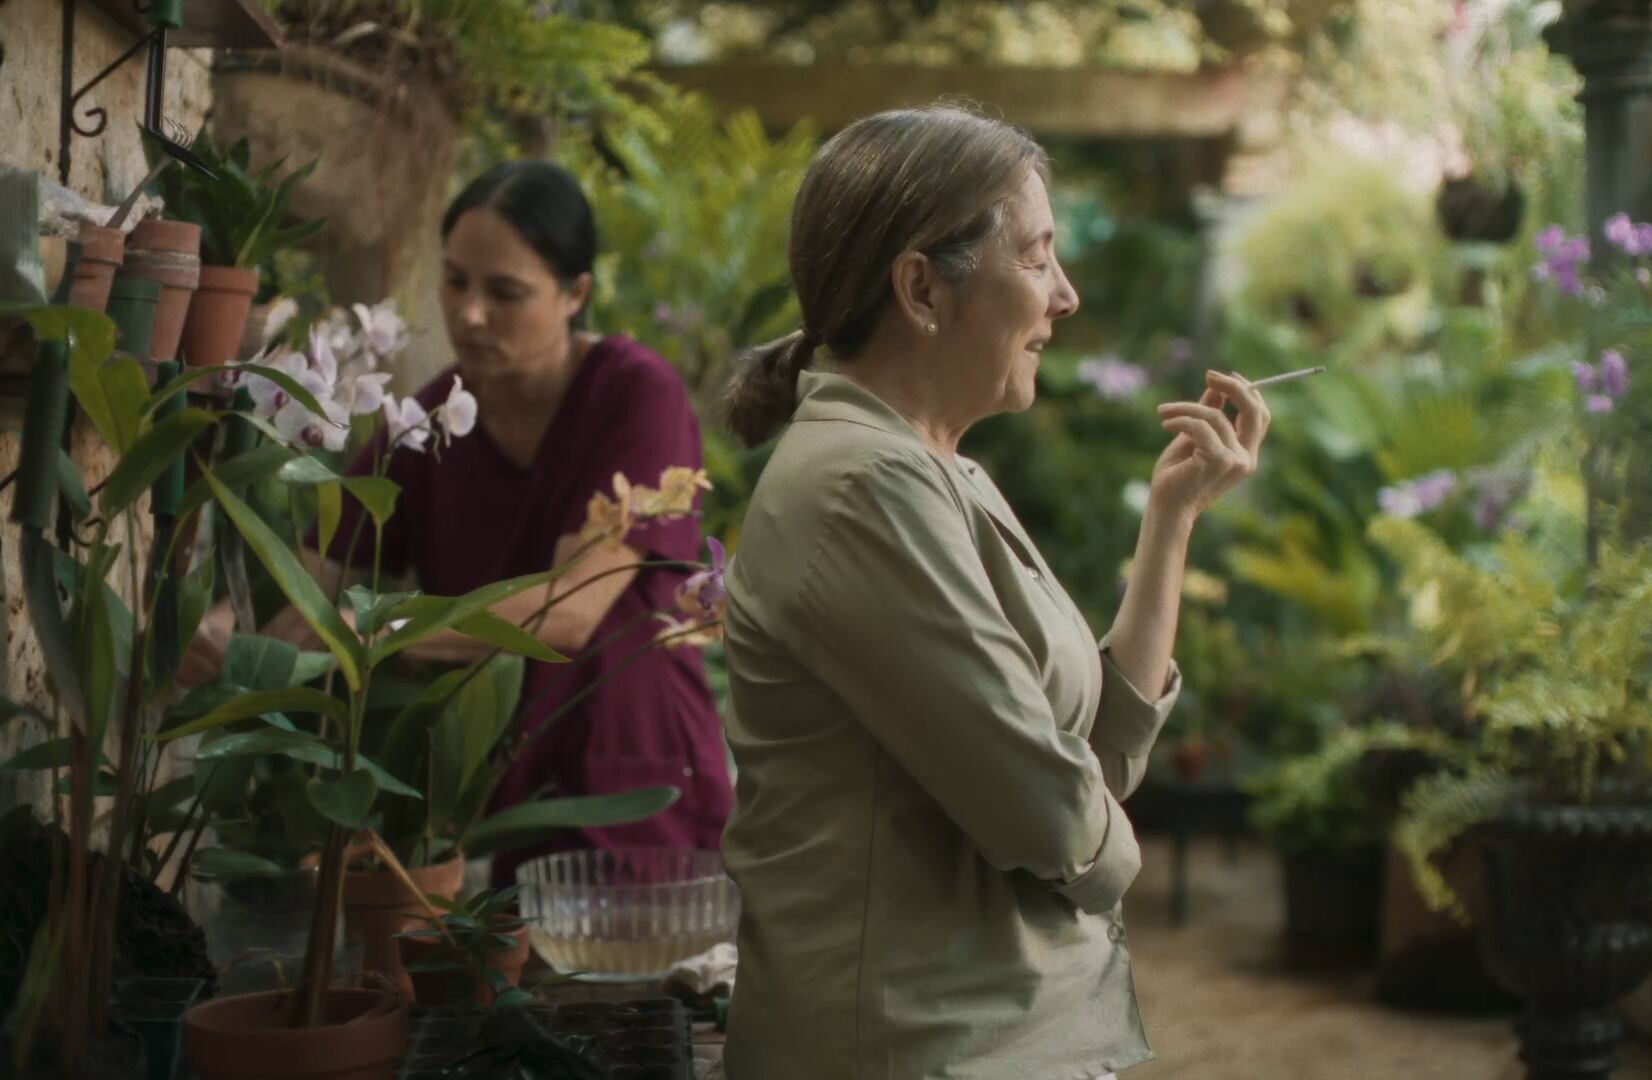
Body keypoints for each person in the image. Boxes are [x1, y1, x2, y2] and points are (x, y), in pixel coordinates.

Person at [718, 106, 1272, 1080]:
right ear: (923, 289)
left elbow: (1092, 755)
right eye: (1038, 257)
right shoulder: (864, 489)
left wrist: (1172, 516)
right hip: (918, 1049)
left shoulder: (936, 472)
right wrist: (1115, 851)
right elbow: (1049, 814)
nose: (1066, 295)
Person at [184, 162, 732, 883]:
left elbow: (571, 609)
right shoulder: (438, 415)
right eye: (455, 280)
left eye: (505, 292)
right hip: (494, 797)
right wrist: (222, 637)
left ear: (576, 294)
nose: (470, 314)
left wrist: (380, 630)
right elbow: (315, 577)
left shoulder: (637, 398)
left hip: (632, 782)